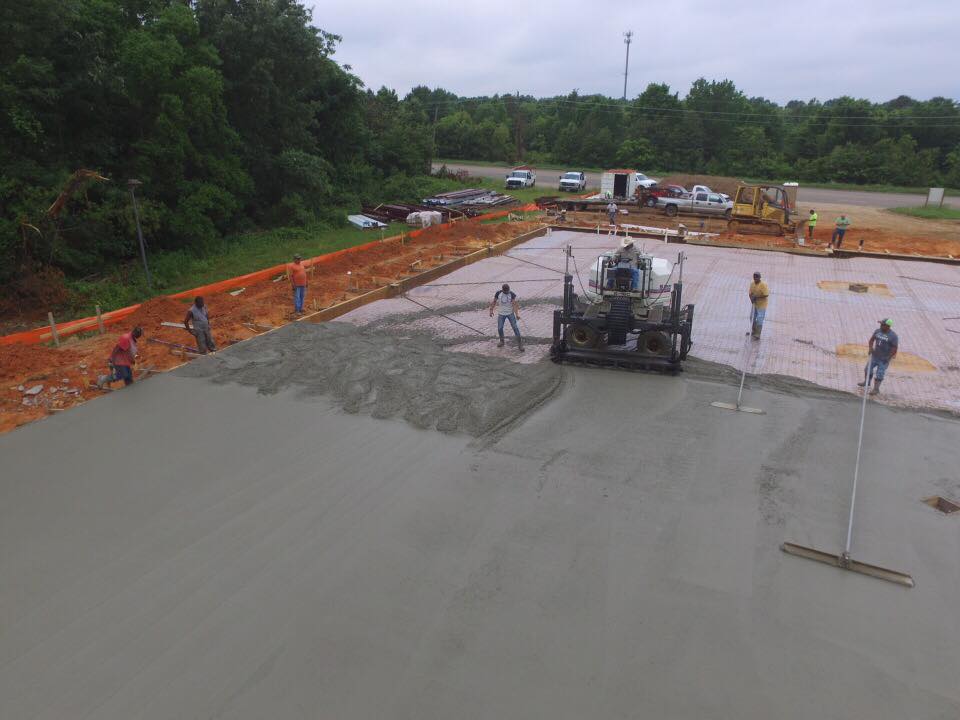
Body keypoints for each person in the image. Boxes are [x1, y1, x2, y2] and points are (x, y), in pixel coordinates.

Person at [858, 319, 898, 395]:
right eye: (881, 324)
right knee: (867, 369)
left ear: (888, 326)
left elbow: (895, 348)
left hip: (884, 359)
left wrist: (888, 357)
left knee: (880, 373)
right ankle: (866, 382)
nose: (881, 326)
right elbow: (871, 340)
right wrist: (870, 348)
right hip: (875, 356)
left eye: (882, 325)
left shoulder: (893, 336)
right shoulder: (877, 331)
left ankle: (876, 389)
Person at [488, 283, 524, 352]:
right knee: (500, 328)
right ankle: (502, 341)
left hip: (510, 313)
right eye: (506, 291)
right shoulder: (498, 293)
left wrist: (517, 314)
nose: (507, 292)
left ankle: (520, 344)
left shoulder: (512, 294)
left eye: (508, 291)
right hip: (501, 314)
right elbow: (494, 302)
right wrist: (491, 310)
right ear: (503, 290)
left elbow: (514, 305)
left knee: (515, 328)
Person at [747, 272, 769, 340]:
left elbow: (766, 295)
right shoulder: (752, 284)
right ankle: (753, 331)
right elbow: (750, 293)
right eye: (754, 278)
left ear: (759, 278)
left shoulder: (763, 285)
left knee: (759, 318)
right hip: (755, 304)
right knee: (752, 317)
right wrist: (751, 299)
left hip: (762, 305)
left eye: (757, 278)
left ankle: (758, 334)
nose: (755, 279)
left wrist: (757, 297)